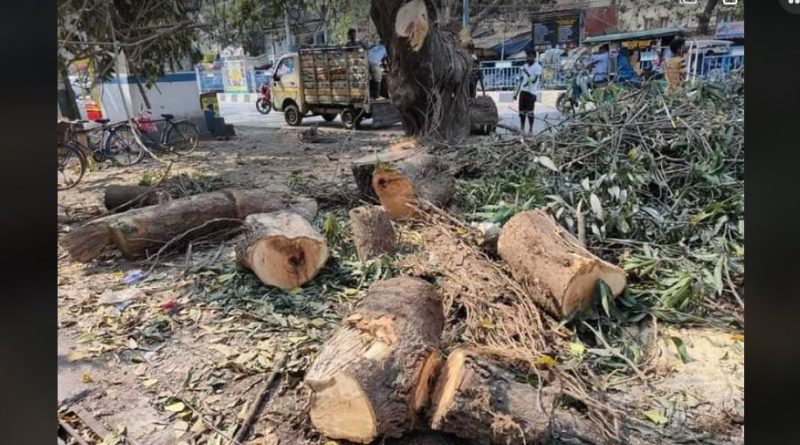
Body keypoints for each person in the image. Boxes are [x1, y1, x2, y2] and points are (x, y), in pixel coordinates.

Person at [513, 51, 542, 133]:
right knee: (522, 111)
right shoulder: (525, 65)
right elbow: (522, 80)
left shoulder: (538, 67)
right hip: (523, 91)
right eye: (528, 56)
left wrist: (526, 72)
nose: (529, 58)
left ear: (534, 57)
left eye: (531, 56)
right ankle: (522, 127)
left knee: (530, 112)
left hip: (531, 92)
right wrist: (516, 93)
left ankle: (530, 129)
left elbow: (534, 80)